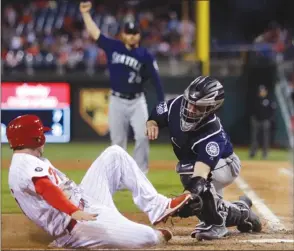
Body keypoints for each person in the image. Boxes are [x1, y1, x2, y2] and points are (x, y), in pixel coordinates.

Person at [7, 114, 192, 249]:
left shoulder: (27, 160)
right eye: (42, 134)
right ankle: (70, 243)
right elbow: (45, 188)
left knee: (115, 154)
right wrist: (74, 211)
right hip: (77, 226)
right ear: (36, 138)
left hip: (86, 203)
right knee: (148, 238)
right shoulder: (24, 163)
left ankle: (158, 207)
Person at [146, 76, 262, 240]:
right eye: (189, 103)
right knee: (211, 207)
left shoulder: (211, 132)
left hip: (225, 165)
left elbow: (200, 175)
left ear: (211, 108)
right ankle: (242, 211)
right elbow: (157, 113)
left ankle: (216, 224)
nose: (191, 109)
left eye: (198, 107)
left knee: (190, 175)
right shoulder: (176, 105)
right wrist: (151, 123)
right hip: (205, 165)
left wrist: (186, 197)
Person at [80, 2, 165, 174]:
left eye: (135, 33)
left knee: (142, 137)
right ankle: (119, 176)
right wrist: (85, 14)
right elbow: (95, 33)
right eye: (129, 33)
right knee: (117, 142)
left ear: (139, 35)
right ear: (123, 35)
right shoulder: (114, 47)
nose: (132, 36)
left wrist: (163, 104)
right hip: (117, 100)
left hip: (137, 101)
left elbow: (156, 81)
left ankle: (141, 174)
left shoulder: (145, 55)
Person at [249, 84, 276, 159]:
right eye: (261, 91)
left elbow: (272, 111)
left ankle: (265, 154)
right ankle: (253, 153)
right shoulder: (256, 100)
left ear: (266, 92)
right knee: (254, 138)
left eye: (263, 91)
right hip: (256, 121)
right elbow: (252, 110)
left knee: (265, 138)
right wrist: (253, 118)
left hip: (265, 121)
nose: (262, 92)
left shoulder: (269, 100)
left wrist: (269, 119)